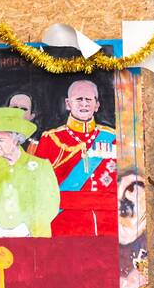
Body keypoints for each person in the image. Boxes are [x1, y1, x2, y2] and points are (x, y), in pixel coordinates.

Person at [34, 79, 118, 236]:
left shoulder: (112, 137)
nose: (84, 104)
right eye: (79, 99)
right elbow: (39, 186)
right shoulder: (51, 139)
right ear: (68, 104)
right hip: (66, 223)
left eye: (89, 99)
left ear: (97, 105)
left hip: (108, 224)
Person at [0, 107, 61, 238]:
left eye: (1, 140)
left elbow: (50, 204)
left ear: (16, 139)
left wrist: (27, 229)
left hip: (35, 240)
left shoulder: (41, 166)